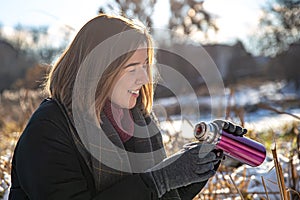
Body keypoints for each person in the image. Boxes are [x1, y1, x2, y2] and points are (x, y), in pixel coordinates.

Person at [8, 14, 247, 200]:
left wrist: (203, 157)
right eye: (132, 68)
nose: (144, 78)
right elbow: (153, 186)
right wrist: (160, 179)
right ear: (98, 71)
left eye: (146, 65)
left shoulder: (137, 119)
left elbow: (161, 195)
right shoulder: (49, 130)